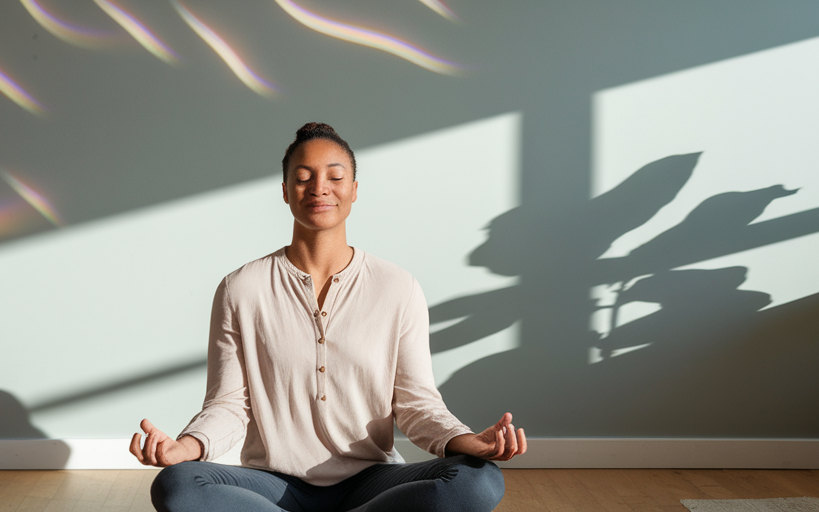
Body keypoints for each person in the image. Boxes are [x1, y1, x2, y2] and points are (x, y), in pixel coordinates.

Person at [129, 123, 526, 512]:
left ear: (354, 190)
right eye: (303, 178)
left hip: (371, 480)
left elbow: (415, 404)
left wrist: (467, 441)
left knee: (479, 480)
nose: (319, 188)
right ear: (285, 191)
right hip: (274, 484)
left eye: (335, 177)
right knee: (178, 484)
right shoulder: (241, 288)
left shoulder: (397, 287)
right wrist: (186, 446)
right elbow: (229, 405)